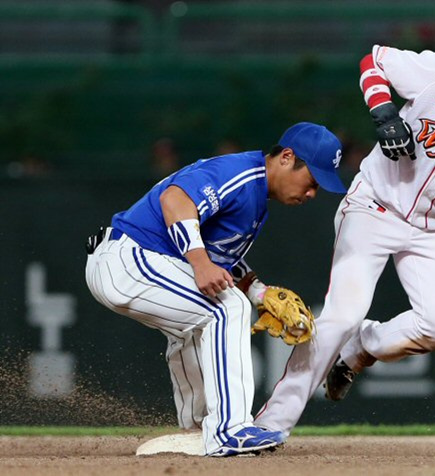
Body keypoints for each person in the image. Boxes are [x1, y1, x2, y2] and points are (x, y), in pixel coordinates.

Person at [254, 46, 435, 435]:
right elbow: (372, 60)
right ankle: (271, 425)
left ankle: (361, 349)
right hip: (375, 204)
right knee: (343, 314)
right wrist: (384, 111)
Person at [85, 122, 346, 456]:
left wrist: (259, 292)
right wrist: (199, 262)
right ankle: (228, 430)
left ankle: (200, 429)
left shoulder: (256, 198)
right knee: (227, 308)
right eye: (313, 180)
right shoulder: (240, 173)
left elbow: (217, 260)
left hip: (134, 263)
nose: (312, 193)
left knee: (199, 325)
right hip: (129, 259)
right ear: (286, 157)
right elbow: (175, 199)